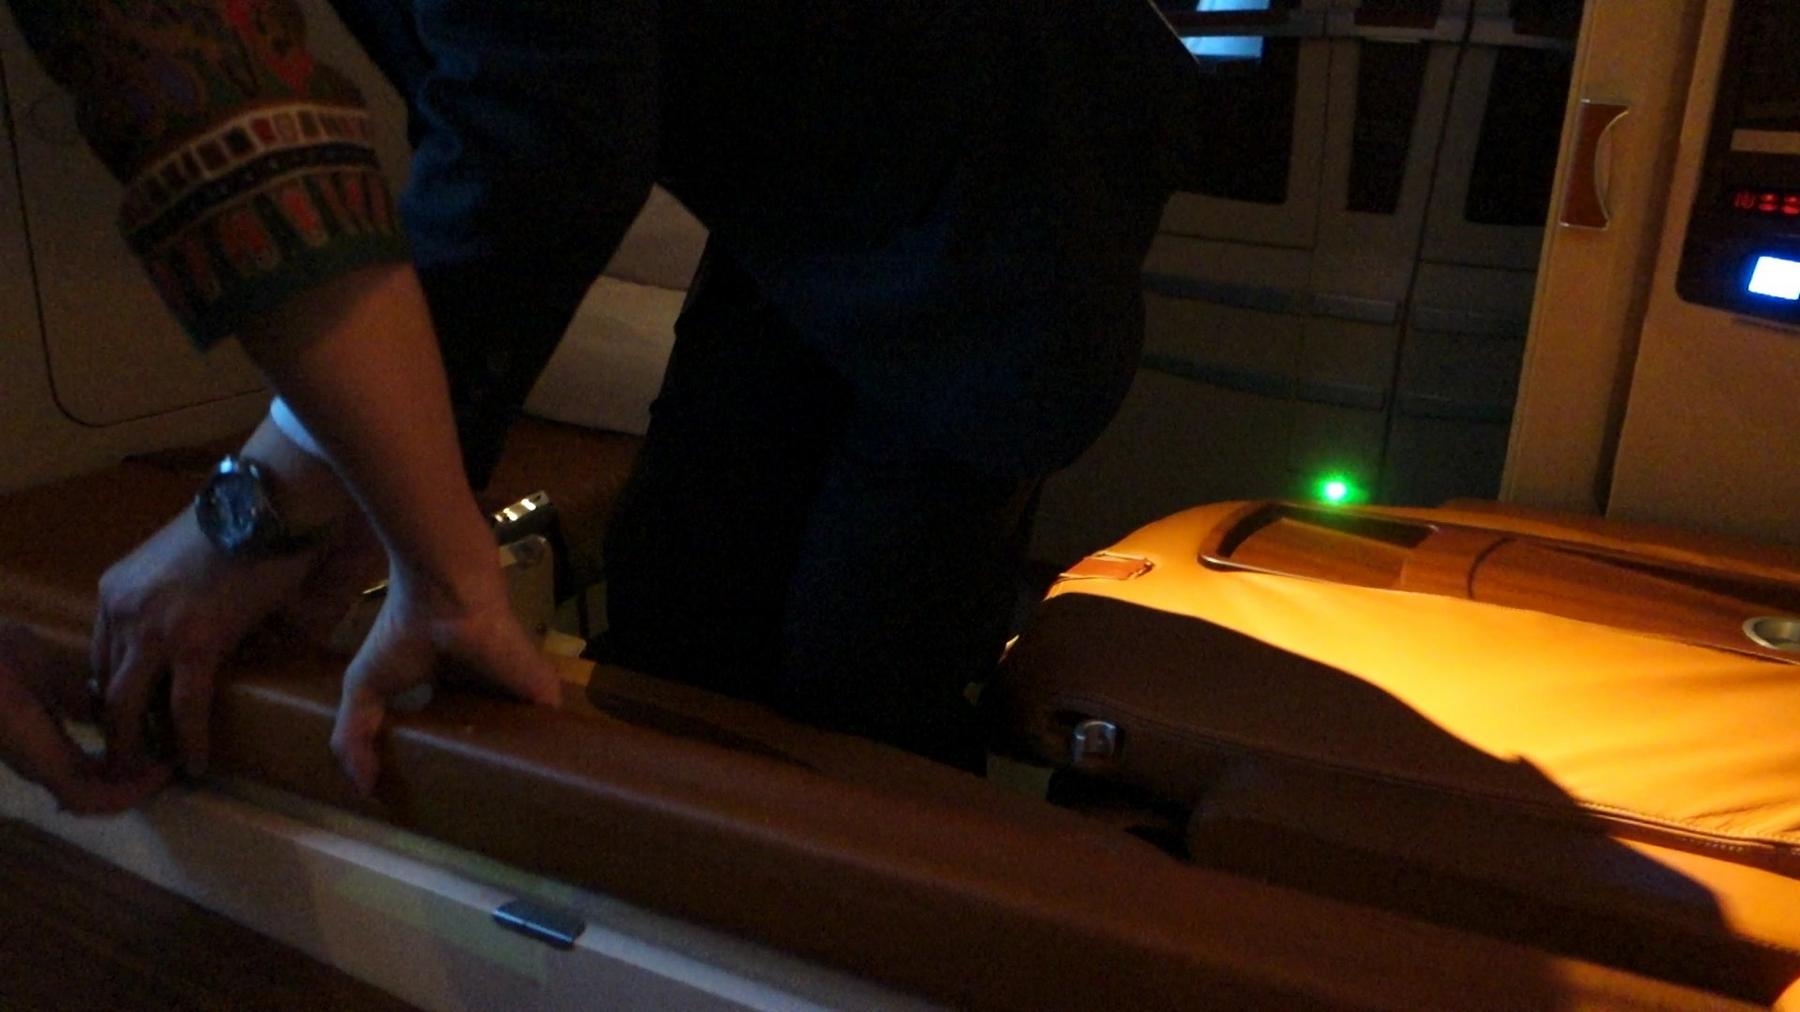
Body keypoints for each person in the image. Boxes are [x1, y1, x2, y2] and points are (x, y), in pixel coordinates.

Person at [2, 0, 1195, 797]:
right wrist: (402, 500)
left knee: (859, 686)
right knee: (675, 601)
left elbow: (541, 121)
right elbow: (490, 103)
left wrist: (258, 505)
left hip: (1009, 166)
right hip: (802, 189)